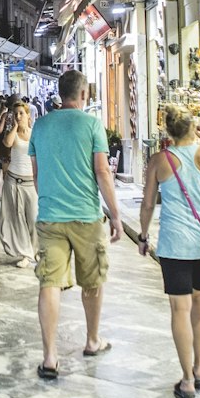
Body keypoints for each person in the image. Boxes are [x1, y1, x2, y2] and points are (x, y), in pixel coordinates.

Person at [136, 105, 200, 398]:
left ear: (168, 131)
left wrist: (143, 234)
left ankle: (188, 380)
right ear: (193, 128)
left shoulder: (159, 160)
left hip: (174, 243)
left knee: (179, 309)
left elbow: (148, 203)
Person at [29, 70, 124, 380]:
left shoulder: (40, 125)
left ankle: (50, 357)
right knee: (93, 281)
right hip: (86, 215)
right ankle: (93, 340)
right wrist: (116, 214)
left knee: (49, 284)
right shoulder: (93, 125)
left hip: (51, 216)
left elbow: (36, 173)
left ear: (60, 94)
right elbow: (103, 172)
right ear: (84, 94)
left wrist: (49, 198)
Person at [0, 101, 38, 267]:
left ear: (28, 115)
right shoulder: (11, 133)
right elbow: (7, 143)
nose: (18, 116)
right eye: (16, 113)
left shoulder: (35, 134)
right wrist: (14, 126)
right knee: (17, 219)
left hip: (30, 182)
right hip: (13, 181)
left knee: (34, 218)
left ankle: (36, 252)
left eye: (21, 113)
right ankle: (25, 254)